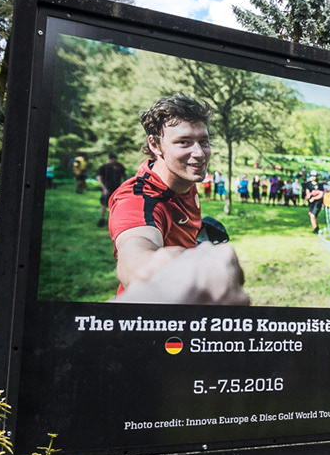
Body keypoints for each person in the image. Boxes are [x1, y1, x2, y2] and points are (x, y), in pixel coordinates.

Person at [104, 95, 249, 305]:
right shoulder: (138, 200)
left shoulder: (184, 178)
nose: (199, 153)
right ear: (155, 144)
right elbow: (135, 256)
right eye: (183, 142)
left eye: (203, 141)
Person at [95, 152, 127, 228]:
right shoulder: (104, 167)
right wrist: (104, 188)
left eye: (115, 158)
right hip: (107, 187)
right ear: (109, 159)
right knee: (104, 203)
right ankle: (102, 218)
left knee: (116, 204)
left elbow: (124, 177)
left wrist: (124, 187)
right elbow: (99, 178)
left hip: (117, 188)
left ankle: (114, 219)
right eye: (112, 159)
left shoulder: (120, 166)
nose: (113, 160)